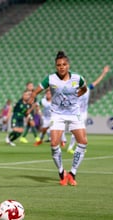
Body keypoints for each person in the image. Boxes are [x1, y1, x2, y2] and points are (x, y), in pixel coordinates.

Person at [28, 51, 88, 186]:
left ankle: (72, 173)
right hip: (57, 114)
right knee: (54, 144)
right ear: (56, 67)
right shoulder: (50, 79)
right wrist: (32, 97)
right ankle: (62, 172)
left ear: (68, 65)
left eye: (64, 64)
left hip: (74, 113)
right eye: (58, 65)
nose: (61, 67)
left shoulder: (78, 78)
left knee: (83, 142)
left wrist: (76, 96)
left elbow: (84, 89)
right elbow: (36, 91)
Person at [67, 65, 110, 154]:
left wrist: (104, 73)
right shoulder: (75, 91)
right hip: (77, 113)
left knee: (82, 130)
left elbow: (97, 82)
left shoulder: (88, 89)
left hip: (84, 113)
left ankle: (79, 147)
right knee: (77, 130)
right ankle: (70, 148)